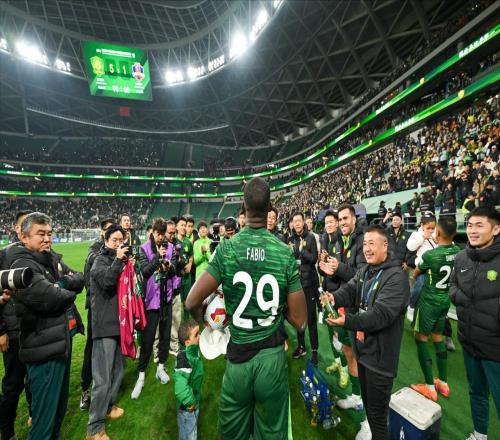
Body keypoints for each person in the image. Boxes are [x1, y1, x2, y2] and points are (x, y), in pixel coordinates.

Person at [186, 177, 307, 440]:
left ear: (244, 206)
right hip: (271, 358)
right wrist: (277, 307)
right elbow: (300, 321)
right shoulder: (283, 252)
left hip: (238, 357)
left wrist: (207, 323)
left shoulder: (227, 249)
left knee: (231, 433)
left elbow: (192, 301)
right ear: (269, 207)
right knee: (272, 431)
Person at [322, 225, 410, 440]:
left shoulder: (396, 278)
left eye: (372, 244)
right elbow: (350, 289)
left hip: (380, 360)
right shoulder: (366, 270)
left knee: (378, 415)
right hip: (363, 352)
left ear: (385, 246)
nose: (367, 249)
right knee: (370, 406)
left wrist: (347, 321)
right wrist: (335, 298)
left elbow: (379, 316)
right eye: (365, 244)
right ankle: (369, 425)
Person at [9, 212, 85, 440]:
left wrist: (60, 283)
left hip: (59, 345)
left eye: (49, 233)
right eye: (40, 234)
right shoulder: (21, 265)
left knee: (57, 415)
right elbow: (52, 298)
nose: (47, 238)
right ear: (23, 237)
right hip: (43, 353)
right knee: (43, 424)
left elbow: (80, 278)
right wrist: (63, 287)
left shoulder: (50, 258)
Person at [450, 207, 500, 440]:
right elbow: (452, 286)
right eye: (470, 225)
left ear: (496, 229)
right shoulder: (461, 257)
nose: (472, 230)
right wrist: (460, 298)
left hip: (495, 348)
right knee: (476, 392)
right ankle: (480, 435)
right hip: (468, 341)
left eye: (479, 225)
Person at [320, 204, 367, 425]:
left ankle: (368, 416)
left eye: (345, 218)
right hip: (347, 305)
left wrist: (338, 268)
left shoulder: (362, 240)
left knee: (362, 358)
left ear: (354, 219)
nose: (342, 223)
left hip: (361, 309)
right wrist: (329, 270)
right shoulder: (340, 240)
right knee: (348, 351)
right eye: (340, 219)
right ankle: (356, 396)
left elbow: (362, 276)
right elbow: (343, 275)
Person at [87, 224, 130, 440]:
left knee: (118, 371)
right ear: (105, 241)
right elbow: (106, 282)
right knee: (102, 379)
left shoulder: (120, 260)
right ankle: (94, 428)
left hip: (119, 324)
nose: (118, 243)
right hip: (104, 326)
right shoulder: (99, 260)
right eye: (114, 240)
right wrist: (119, 260)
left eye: (121, 240)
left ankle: (108, 406)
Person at [410, 217, 460, 401]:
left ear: (438, 232)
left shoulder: (431, 255)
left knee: (420, 338)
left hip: (429, 303)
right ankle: (444, 384)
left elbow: (416, 272)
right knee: (438, 338)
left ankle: (430, 387)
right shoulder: (458, 251)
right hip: (445, 301)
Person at [131, 218, 175, 400]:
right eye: (158, 234)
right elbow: (144, 272)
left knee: (165, 337)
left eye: (163, 234)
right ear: (153, 232)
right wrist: (158, 258)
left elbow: (174, 272)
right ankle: (141, 375)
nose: (161, 238)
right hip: (150, 301)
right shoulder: (144, 249)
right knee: (147, 340)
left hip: (166, 299)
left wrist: (168, 266)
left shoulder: (170, 247)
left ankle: (160, 368)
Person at [0, 210, 32, 439]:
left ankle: (34, 413)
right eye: (24, 225)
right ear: (17, 229)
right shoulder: (4, 255)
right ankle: (7, 432)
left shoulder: (36, 255)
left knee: (33, 378)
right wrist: (1, 330)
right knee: (13, 384)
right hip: (12, 332)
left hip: (33, 328)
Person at [80, 217, 114, 411]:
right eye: (108, 230)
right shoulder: (95, 250)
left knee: (108, 349)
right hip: (96, 307)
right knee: (92, 347)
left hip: (110, 307)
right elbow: (91, 276)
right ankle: (85, 389)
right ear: (103, 233)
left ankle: (107, 389)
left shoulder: (114, 251)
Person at [288, 212, 319, 365]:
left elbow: (314, 259)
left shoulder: (310, 237)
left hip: (309, 285)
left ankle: (314, 350)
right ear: (293, 224)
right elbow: (291, 260)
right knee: (298, 318)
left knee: (311, 319)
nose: (297, 224)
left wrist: (302, 251)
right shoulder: (291, 239)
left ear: (303, 222)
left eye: (299, 221)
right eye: (295, 221)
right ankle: (301, 347)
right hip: (296, 286)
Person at [174, 319, 203, 440]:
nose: (199, 336)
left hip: (192, 402)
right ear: (187, 342)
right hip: (188, 408)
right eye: (196, 335)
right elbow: (180, 388)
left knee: (186, 432)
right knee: (190, 434)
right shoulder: (184, 360)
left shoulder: (192, 352)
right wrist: (190, 402)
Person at [172, 216, 193, 355]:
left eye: (185, 225)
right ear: (177, 227)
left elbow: (190, 256)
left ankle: (186, 333)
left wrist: (190, 264)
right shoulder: (173, 242)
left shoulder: (188, 242)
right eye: (182, 225)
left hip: (187, 278)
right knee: (176, 307)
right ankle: (175, 336)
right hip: (177, 278)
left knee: (187, 305)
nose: (184, 227)